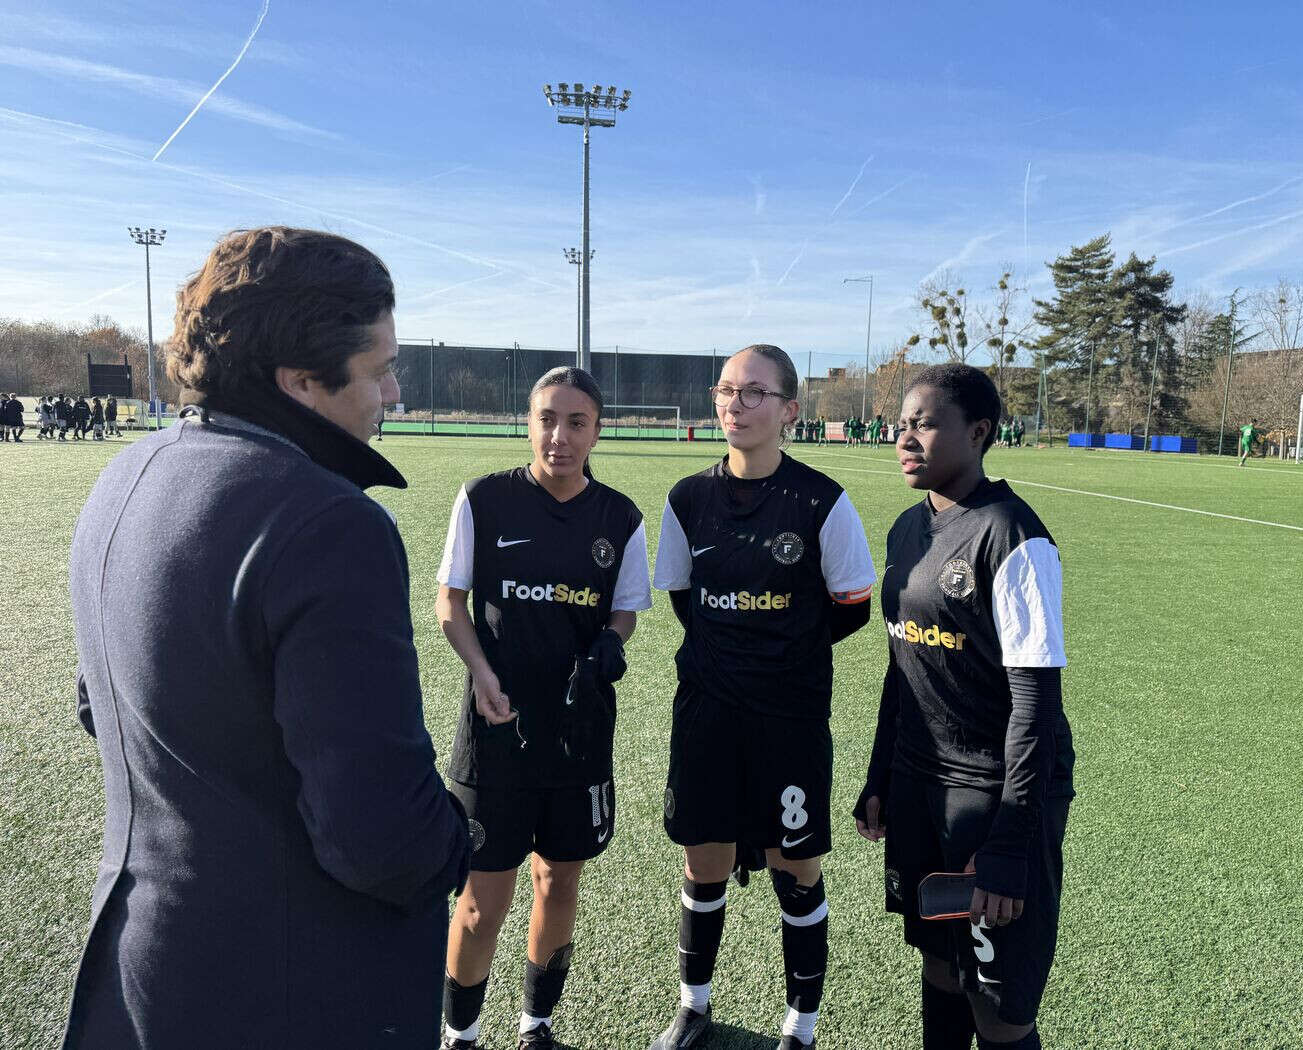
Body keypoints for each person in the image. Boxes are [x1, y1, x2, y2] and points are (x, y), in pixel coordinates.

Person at [64, 226, 473, 1050]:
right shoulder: (327, 521)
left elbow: (96, 705)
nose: (393, 392)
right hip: (290, 996)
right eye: (382, 368)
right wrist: (463, 835)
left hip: (139, 973)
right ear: (300, 382)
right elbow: (381, 842)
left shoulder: (128, 474)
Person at [649, 344, 876, 1050]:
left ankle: (801, 1027)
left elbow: (854, 604)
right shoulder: (687, 499)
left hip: (789, 719)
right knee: (703, 860)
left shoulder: (823, 502)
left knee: (795, 867)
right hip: (708, 713)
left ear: (788, 410)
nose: (735, 405)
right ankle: (693, 1007)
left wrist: (783, 652)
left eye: (754, 393)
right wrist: (736, 653)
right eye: (726, 390)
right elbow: (686, 600)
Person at [855, 363, 1074, 1050]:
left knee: (999, 1009)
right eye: (901, 425)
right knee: (941, 969)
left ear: (979, 431)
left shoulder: (1012, 536)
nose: (905, 437)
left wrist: (1011, 840)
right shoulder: (905, 531)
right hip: (924, 785)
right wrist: (882, 773)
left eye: (924, 423)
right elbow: (903, 665)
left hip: (997, 795)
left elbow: (1036, 704)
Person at [436, 367, 651, 1050]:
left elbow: (624, 612)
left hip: (577, 734)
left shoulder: (620, 517)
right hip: (494, 730)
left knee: (558, 880)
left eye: (576, 423)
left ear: (596, 431)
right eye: (546, 419)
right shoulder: (483, 500)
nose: (559, 437)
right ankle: (459, 1035)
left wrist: (611, 648)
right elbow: (451, 604)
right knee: (479, 903)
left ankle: (536, 1027)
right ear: (528, 422)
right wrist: (481, 672)